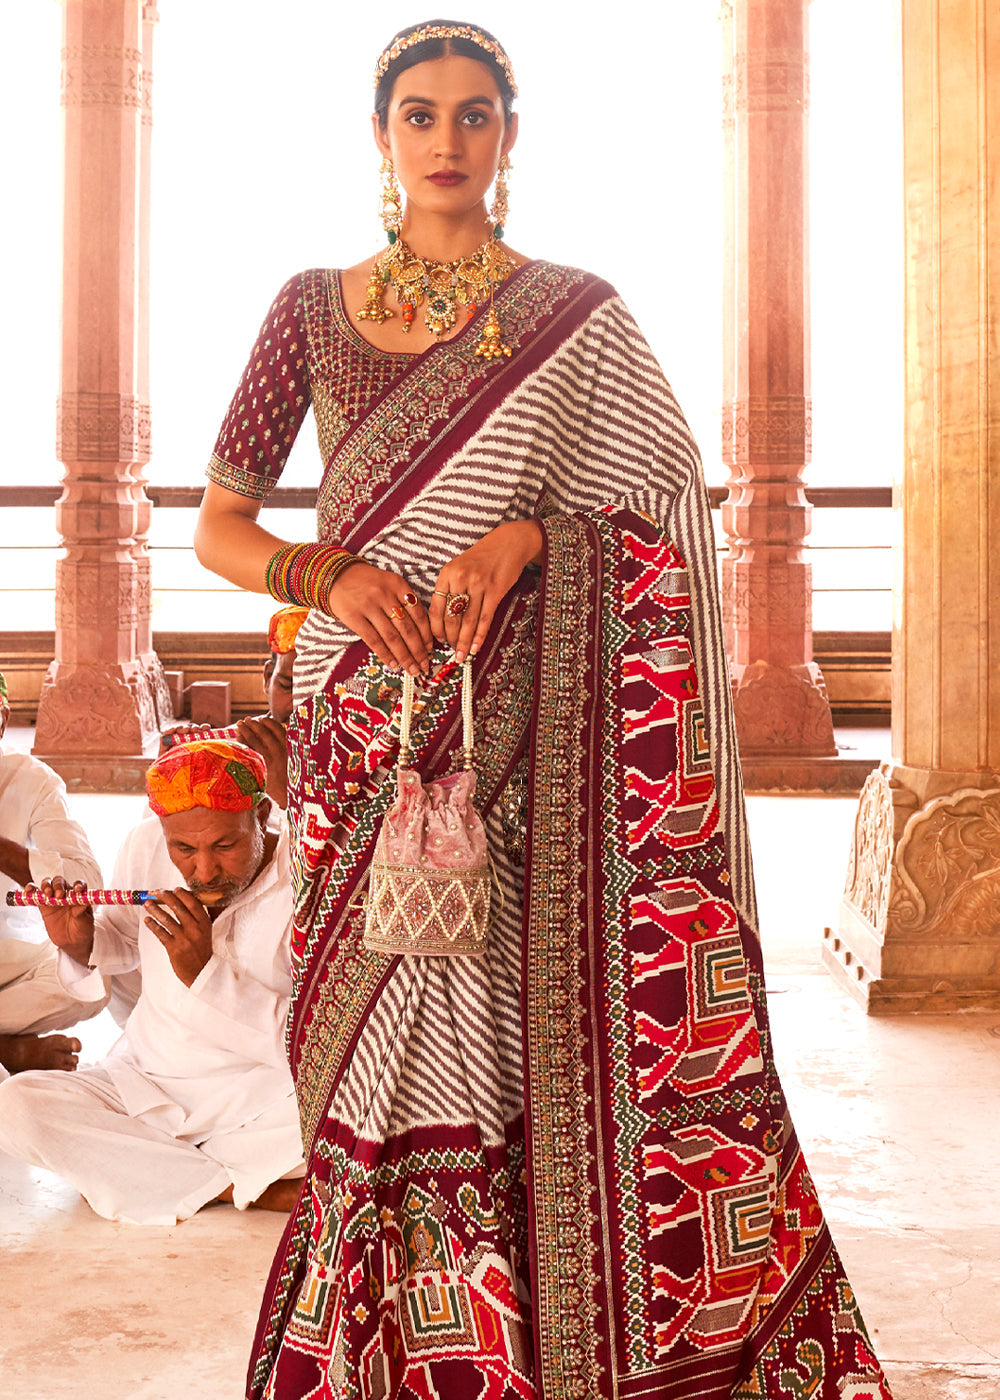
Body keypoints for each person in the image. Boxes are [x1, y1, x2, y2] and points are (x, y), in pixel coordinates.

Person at [193, 22, 892, 1400]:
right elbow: (221, 525)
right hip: (358, 740)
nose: (446, 140)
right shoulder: (307, 312)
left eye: (472, 115)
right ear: (379, 138)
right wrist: (323, 574)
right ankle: (376, 1357)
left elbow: (664, 507)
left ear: (511, 136)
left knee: (500, 1050)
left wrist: (526, 543)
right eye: (417, 115)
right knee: (355, 1052)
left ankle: (496, 1354)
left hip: (523, 742)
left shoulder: (577, 317)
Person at [0, 740, 304, 1225]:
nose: (204, 869)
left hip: (261, 1098)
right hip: (146, 1081)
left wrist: (205, 973)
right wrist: (80, 943)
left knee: (358, 1120)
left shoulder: (306, 873)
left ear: (261, 814)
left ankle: (149, 1171)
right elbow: (120, 938)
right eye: (183, 848)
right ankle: (236, 1186)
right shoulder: (142, 844)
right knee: (15, 1106)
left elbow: (310, 1038)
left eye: (225, 846)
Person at [0, 670, 104, 1077]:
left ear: (2, 721)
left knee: (96, 977)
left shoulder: (31, 781)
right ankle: (9, 1053)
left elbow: (86, 883)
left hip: (9, 963)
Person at [159, 604, 307, 810]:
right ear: (267, 677)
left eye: (318, 693)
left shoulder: (357, 764)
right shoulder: (229, 752)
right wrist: (173, 780)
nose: (301, 704)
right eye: (288, 685)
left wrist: (284, 795)